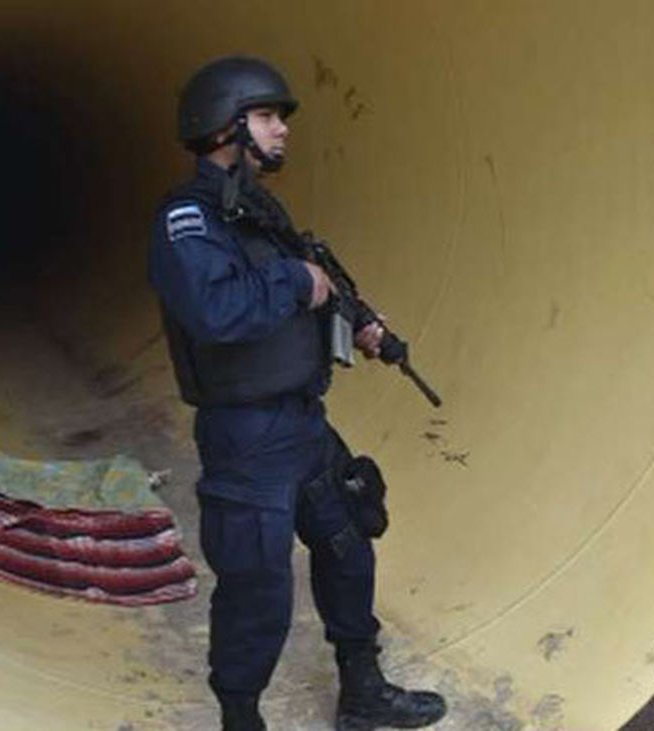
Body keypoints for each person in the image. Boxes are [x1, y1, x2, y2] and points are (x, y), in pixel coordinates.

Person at [147, 56, 448, 731]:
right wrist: (296, 284)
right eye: (267, 116)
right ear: (226, 128)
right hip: (246, 437)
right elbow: (215, 312)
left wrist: (355, 319)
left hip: (303, 424)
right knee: (258, 591)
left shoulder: (257, 210)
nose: (282, 129)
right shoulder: (187, 220)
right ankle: (241, 717)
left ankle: (363, 692)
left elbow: (307, 283)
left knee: (349, 547)